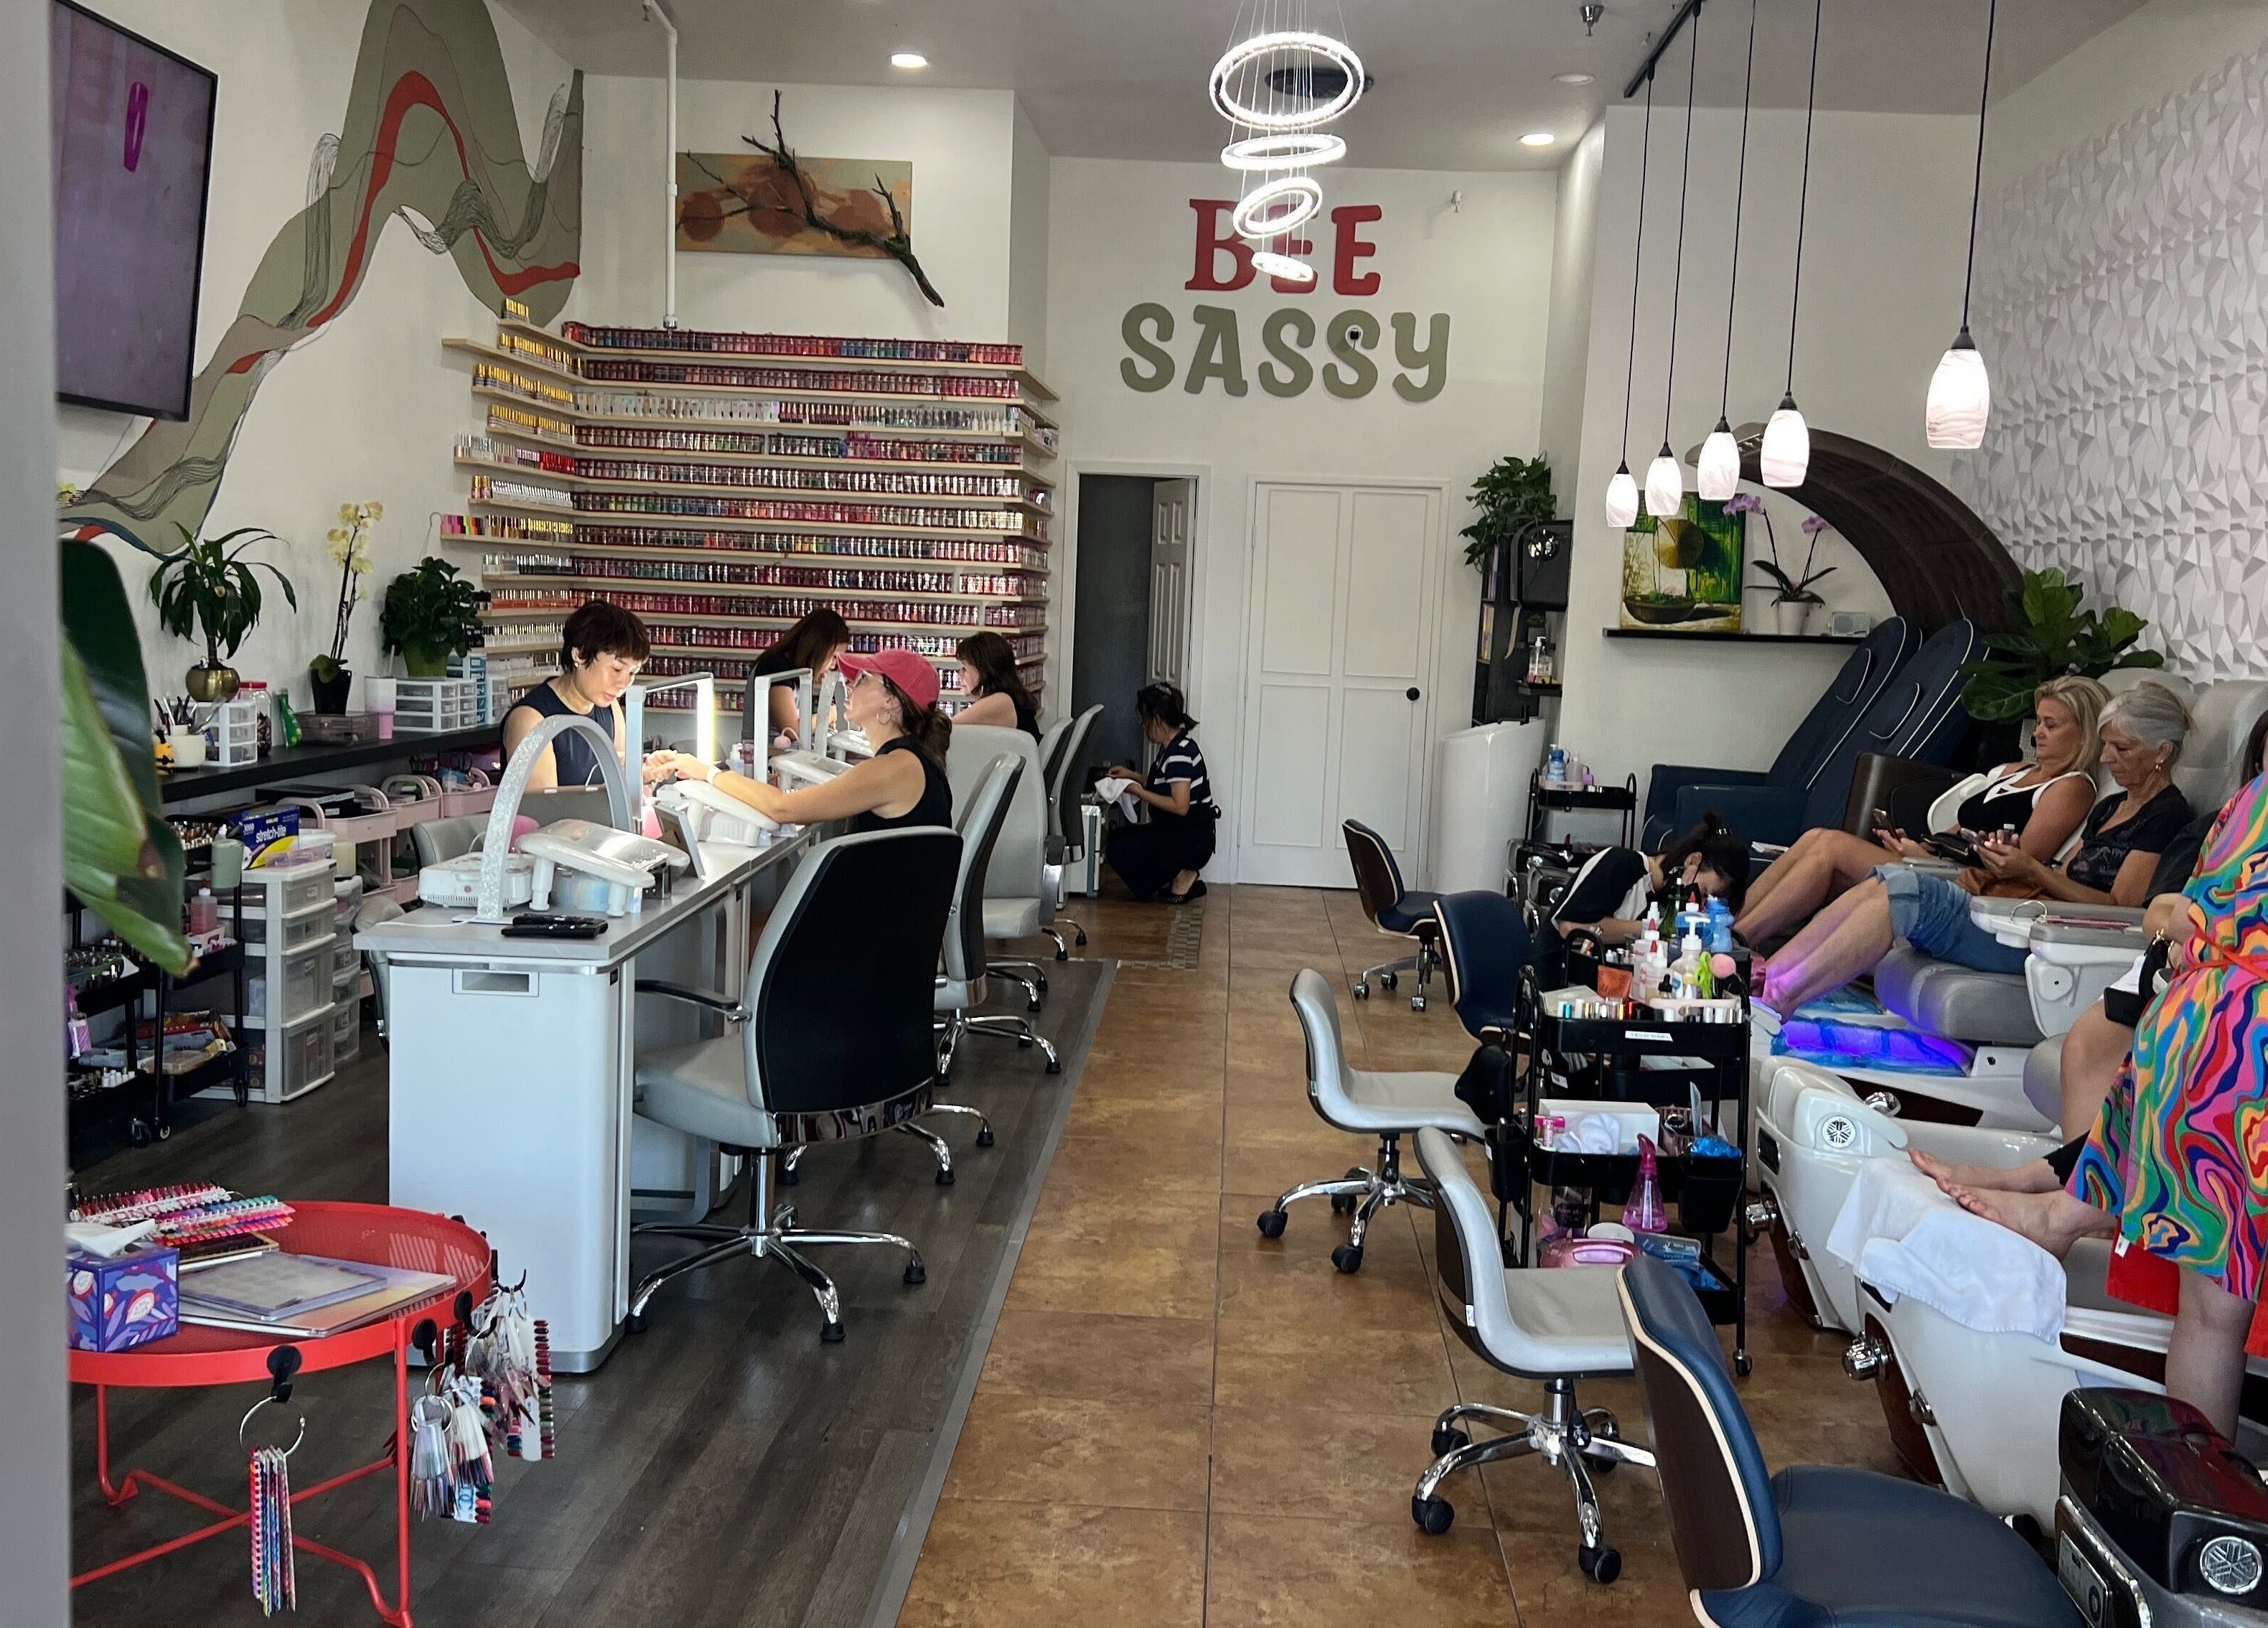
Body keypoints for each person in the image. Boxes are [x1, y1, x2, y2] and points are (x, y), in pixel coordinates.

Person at [1937, 769, 2268, 1441]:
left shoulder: (2251, 799)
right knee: (2215, 1316)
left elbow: (2185, 914)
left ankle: (2194, 1489)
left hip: (2196, 1027)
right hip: (2249, 1052)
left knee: (2209, 1318)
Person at [1760, 680, 2196, 1020]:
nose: (2106, 758)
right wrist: (2024, 871)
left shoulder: (2167, 816)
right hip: (2031, 918)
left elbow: (2124, 909)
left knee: (1905, 894)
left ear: (2162, 752)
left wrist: (2031, 870)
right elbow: (2065, 873)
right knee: (1890, 880)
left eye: (2121, 748)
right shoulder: (2111, 807)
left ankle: (1779, 1000)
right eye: (2107, 745)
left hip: (2061, 944)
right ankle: (1766, 981)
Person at [1738, 675, 2105, 945]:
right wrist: (1920, 848)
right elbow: (1958, 831)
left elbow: (2018, 866)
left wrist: (1930, 860)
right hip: (1941, 864)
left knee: (1830, 846)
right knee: (1816, 838)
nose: (2038, 733)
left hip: (1971, 884)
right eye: (2039, 722)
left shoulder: (2071, 787)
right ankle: (1732, 927)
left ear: (2084, 732)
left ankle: (1739, 940)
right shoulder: (2013, 771)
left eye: (2051, 725)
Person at [648, 647, 952, 831]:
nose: (849, 684)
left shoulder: (893, 768)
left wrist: (706, 772)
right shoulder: (905, 762)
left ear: (892, 701)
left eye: (863, 679)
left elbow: (783, 809)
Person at [501, 599, 651, 791]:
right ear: (580, 654)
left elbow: (619, 782)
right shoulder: (531, 721)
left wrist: (644, 773)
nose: (623, 684)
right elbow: (544, 806)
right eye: (616, 669)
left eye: (632, 673)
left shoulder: (610, 708)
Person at [1550, 813, 1751, 945]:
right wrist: (1658, 929)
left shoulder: (1664, 902)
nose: (1700, 904)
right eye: (1704, 892)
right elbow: (1570, 928)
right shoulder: (1621, 864)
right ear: (1693, 860)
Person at [1105, 682, 1217, 904]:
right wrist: (1132, 776)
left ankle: (1182, 874)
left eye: (1144, 721)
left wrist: (1138, 792)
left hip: (1191, 838)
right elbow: (1161, 785)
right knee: (1117, 838)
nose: (1143, 727)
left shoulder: (1179, 754)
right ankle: (1173, 875)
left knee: (1119, 849)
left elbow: (1180, 806)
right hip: (1181, 832)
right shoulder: (1172, 747)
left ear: (1157, 719)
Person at [750, 609, 851, 744]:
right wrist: (831, 713)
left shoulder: (799, 673)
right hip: (768, 753)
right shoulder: (776, 667)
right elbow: (793, 731)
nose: (833, 666)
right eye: (833, 657)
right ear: (818, 648)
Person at [952, 631, 1040, 739]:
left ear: (984, 671)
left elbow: (948, 729)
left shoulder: (1001, 701)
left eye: (965, 668)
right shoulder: (1011, 696)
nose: (959, 674)